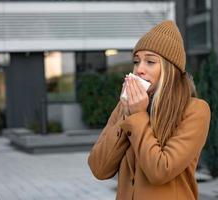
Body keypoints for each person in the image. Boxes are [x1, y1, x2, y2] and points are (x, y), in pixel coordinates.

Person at [88, 20, 211, 200]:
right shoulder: (125, 107)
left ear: (171, 70)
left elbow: (160, 171)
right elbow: (99, 168)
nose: (139, 70)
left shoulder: (195, 110)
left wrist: (137, 116)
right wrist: (126, 113)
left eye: (150, 62)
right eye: (136, 62)